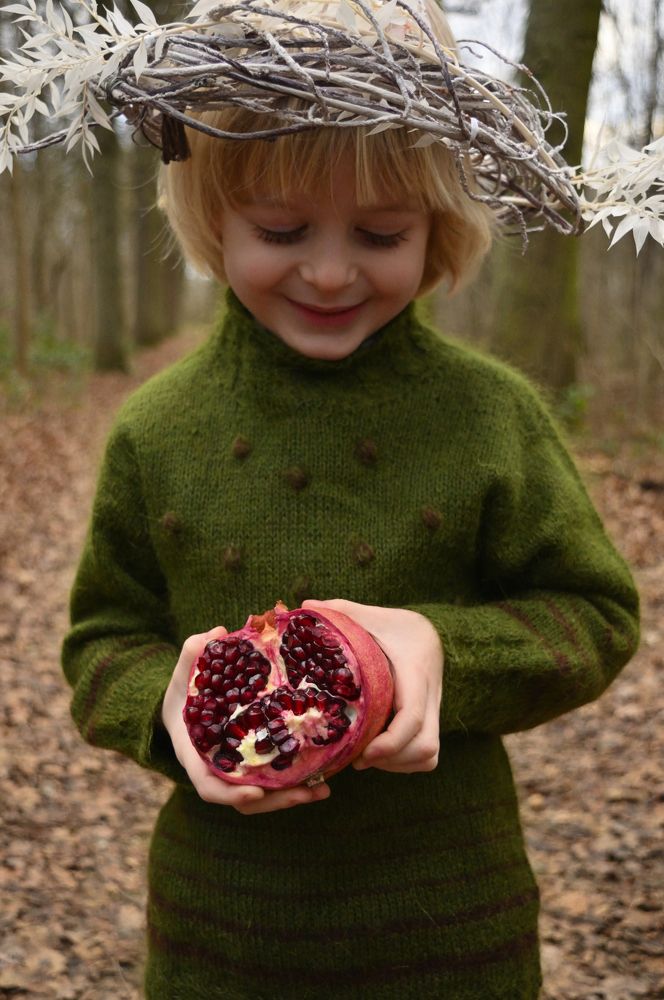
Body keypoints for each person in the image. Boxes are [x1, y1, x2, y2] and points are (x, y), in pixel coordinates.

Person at [61, 3, 639, 996]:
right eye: (280, 228)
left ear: (439, 227)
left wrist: (438, 651)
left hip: (452, 929)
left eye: (380, 233)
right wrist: (168, 706)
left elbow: (595, 613)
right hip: (223, 935)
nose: (328, 271)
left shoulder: (491, 416)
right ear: (211, 219)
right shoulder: (155, 432)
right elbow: (101, 638)